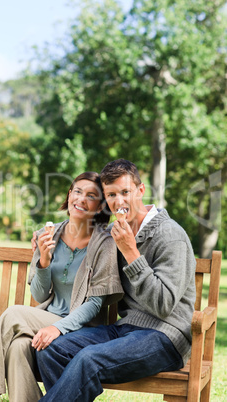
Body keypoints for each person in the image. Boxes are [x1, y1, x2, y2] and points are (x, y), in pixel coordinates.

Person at [35, 159, 197, 402]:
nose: (119, 202)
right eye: (111, 195)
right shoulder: (117, 232)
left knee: (89, 359)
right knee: (52, 350)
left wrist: (132, 253)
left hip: (165, 336)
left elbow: (164, 306)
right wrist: (43, 246)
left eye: (125, 192)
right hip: (125, 329)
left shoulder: (170, 235)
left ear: (140, 191)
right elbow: (78, 236)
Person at [0, 171, 124, 402]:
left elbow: (95, 305)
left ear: (99, 206)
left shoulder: (104, 244)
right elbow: (38, 294)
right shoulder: (48, 234)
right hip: (46, 319)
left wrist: (58, 328)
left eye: (91, 195)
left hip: (82, 328)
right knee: (18, 346)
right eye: (77, 192)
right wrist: (44, 262)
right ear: (69, 196)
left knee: (14, 313)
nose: (81, 199)